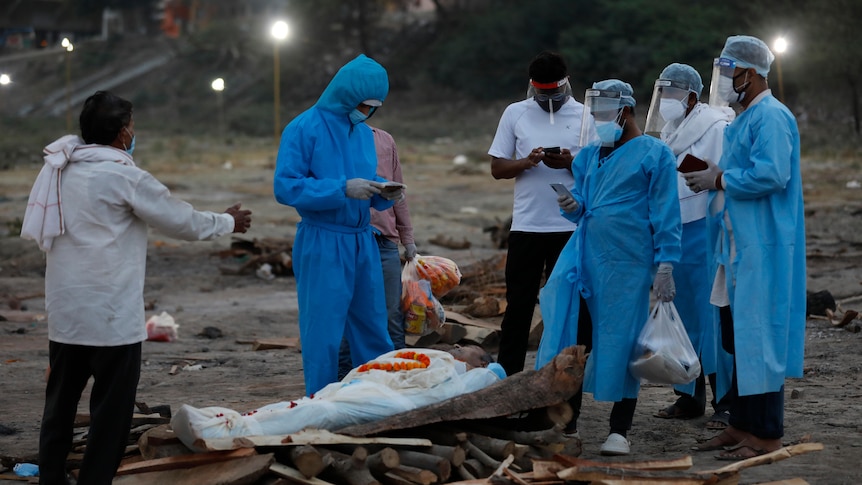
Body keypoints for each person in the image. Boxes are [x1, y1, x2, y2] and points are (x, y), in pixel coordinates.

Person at [20, 90, 252, 484]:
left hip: (66, 315)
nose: (133, 132)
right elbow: (181, 221)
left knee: (58, 406)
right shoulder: (124, 175)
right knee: (110, 413)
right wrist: (227, 221)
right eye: (131, 125)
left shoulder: (60, 170)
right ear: (122, 133)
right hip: (111, 318)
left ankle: (52, 479)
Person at [536, 79, 682, 456]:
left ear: (626, 112)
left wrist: (666, 262)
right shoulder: (588, 155)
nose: (600, 123)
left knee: (622, 338)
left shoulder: (654, 153)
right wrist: (573, 205)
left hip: (628, 261)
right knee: (576, 337)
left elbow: (666, 211)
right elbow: (586, 200)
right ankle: (568, 420)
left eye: (605, 115)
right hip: (584, 258)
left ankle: (620, 428)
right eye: (595, 116)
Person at [685, 35, 805, 460]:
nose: (726, 81)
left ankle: (767, 434)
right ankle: (741, 424)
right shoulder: (746, 118)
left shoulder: (771, 116)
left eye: (730, 72)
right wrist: (716, 175)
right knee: (739, 338)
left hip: (764, 244)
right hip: (737, 245)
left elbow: (772, 174)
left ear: (749, 73)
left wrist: (719, 180)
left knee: (761, 339)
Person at [273, 54, 404, 396]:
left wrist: (383, 193)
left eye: (375, 107)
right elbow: (286, 187)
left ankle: (377, 397)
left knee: (373, 327)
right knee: (324, 331)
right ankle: (321, 401)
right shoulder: (303, 128)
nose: (369, 113)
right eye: (365, 105)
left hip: (363, 240)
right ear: (345, 95)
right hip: (323, 240)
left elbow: (365, 183)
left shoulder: (361, 133)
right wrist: (340, 189)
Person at [488, 51, 593, 377]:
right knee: (518, 306)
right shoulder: (515, 113)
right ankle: (508, 377)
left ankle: (565, 378)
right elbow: (497, 168)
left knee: (570, 308)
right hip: (527, 226)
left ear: (567, 84)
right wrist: (527, 162)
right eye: (543, 94)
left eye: (556, 94)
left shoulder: (585, 116)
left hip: (571, 227)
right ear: (533, 88)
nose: (550, 100)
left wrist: (569, 163)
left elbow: (599, 172)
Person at [643, 63, 735, 429]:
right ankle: (688, 396)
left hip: (707, 230)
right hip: (677, 231)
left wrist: (708, 177)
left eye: (672, 93)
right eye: (662, 93)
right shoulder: (670, 131)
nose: (666, 101)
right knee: (682, 316)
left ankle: (725, 401)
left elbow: (724, 176)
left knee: (711, 317)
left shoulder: (716, 127)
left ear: (692, 96)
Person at [338, 125, 417, 379]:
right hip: (349, 239)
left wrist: (408, 238)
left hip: (384, 242)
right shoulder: (334, 137)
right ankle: (344, 377)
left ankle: (399, 371)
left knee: (391, 312)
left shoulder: (384, 139)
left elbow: (398, 192)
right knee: (347, 311)